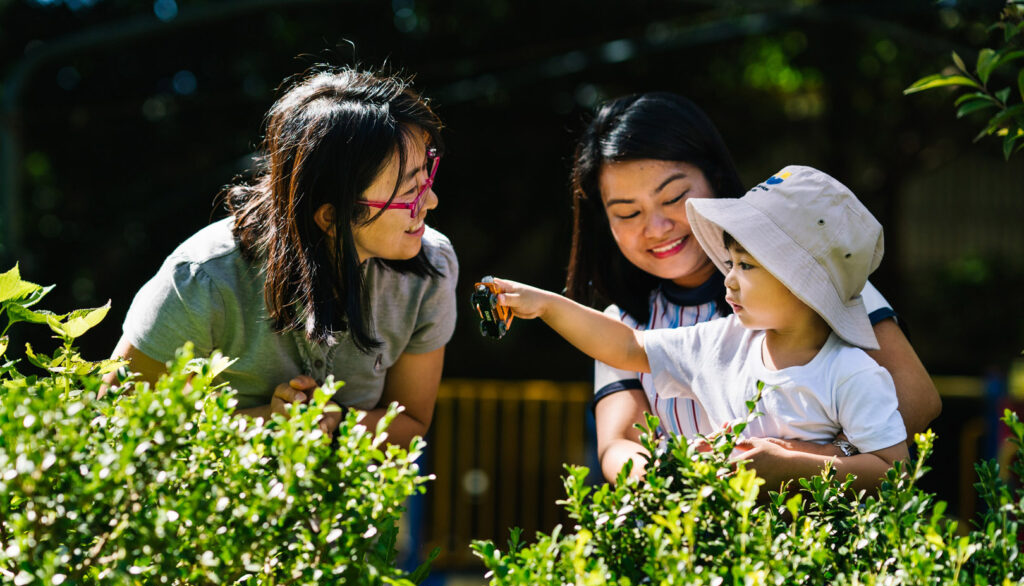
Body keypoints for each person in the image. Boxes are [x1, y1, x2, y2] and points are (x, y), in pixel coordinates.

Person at [563, 92, 940, 483]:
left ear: (715, 178)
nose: (656, 227)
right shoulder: (619, 324)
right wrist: (682, 481)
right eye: (627, 213)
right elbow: (619, 441)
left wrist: (819, 457)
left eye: (674, 197)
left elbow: (915, 395)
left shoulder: (812, 276)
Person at [493, 165, 908, 492]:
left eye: (746, 266)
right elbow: (627, 343)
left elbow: (893, 470)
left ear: (804, 282)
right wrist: (544, 304)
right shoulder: (722, 342)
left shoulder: (852, 372)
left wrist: (793, 468)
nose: (728, 278)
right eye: (731, 263)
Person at [107, 66, 458, 448]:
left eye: (427, 174)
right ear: (331, 217)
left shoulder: (431, 267)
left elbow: (411, 421)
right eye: (409, 192)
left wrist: (337, 422)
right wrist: (267, 424)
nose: (431, 201)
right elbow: (118, 422)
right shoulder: (202, 280)